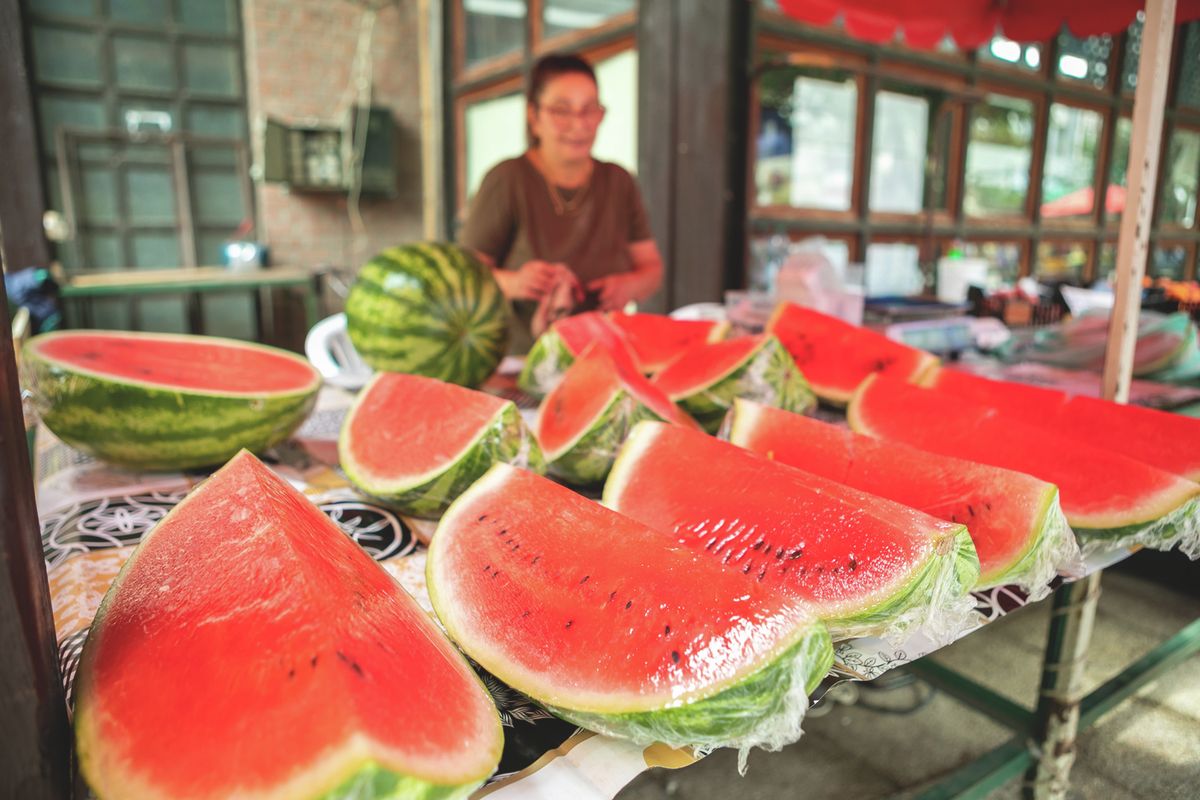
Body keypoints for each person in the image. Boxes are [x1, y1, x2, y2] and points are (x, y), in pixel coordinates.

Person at [459, 52, 664, 349]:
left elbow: (652, 269)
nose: (579, 124)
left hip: (602, 350)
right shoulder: (507, 179)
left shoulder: (619, 181)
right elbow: (463, 277)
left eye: (589, 110)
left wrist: (628, 286)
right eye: (561, 110)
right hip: (516, 357)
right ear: (534, 116)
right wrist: (514, 282)